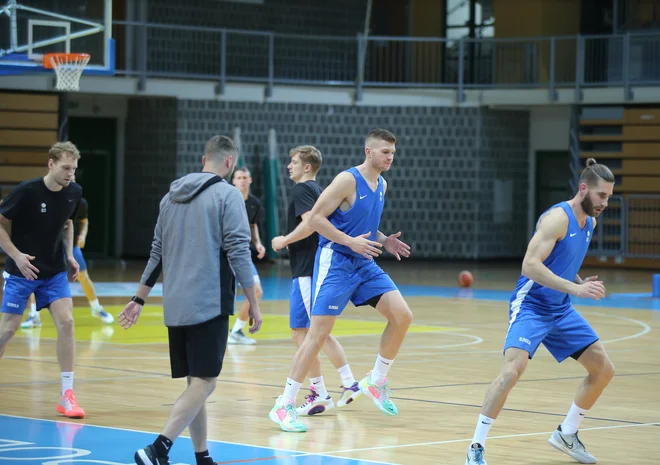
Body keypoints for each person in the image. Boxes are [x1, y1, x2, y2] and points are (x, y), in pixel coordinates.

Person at [118, 135, 262, 465]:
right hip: (210, 301)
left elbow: (157, 251)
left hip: (176, 302)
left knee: (195, 382)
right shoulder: (228, 195)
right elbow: (240, 252)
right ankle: (158, 448)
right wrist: (253, 301)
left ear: (203, 159)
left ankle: (202, 456)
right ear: (229, 163)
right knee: (206, 382)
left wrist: (138, 299)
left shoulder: (170, 198)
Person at [464, 158, 616, 465]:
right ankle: (476, 445)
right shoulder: (557, 219)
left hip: (560, 308)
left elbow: (560, 261)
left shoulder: (591, 224)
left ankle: (567, 433)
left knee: (603, 369)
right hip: (531, 305)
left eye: (609, 197)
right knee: (511, 371)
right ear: (583, 188)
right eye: (601, 196)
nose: (605, 203)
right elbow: (530, 266)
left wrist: (577, 281)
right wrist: (575, 289)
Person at [268, 128, 413, 433]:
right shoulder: (347, 180)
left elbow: (365, 226)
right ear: (368, 152)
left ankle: (376, 380)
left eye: (393, 153)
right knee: (316, 334)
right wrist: (350, 242)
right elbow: (316, 219)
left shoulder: (382, 184)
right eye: (385, 152)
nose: (390, 157)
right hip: (336, 262)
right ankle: (284, 404)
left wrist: (384, 240)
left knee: (402, 315)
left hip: (364, 261)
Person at [271, 145, 361, 416]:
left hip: (308, 269)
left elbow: (311, 223)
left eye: (294, 162)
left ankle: (338, 386)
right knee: (304, 332)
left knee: (310, 333)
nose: (289, 166)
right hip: (312, 268)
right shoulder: (319, 191)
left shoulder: (302, 190)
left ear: (307, 167)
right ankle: (325, 390)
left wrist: (284, 240)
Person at [0, 141, 85, 418]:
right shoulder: (27, 191)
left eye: (73, 168)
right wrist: (17, 255)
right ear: (51, 164)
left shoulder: (74, 193)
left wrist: (70, 255)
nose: (70, 173)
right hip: (21, 272)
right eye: (65, 168)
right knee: (8, 330)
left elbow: (67, 222)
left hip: (54, 272)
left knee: (68, 322)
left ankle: (67, 394)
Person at [20, 174, 113, 328]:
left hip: (71, 246)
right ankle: (34, 315)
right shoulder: (48, 200)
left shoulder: (80, 202)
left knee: (83, 277)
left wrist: (82, 235)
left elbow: (84, 220)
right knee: (35, 279)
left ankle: (96, 308)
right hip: (47, 247)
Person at [228, 167, 265, 345]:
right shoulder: (227, 200)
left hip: (243, 254)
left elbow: (252, 225)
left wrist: (257, 243)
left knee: (256, 291)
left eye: (245, 177)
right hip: (225, 254)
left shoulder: (254, 203)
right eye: (238, 178)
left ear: (250, 180)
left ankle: (236, 331)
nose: (242, 181)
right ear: (233, 181)